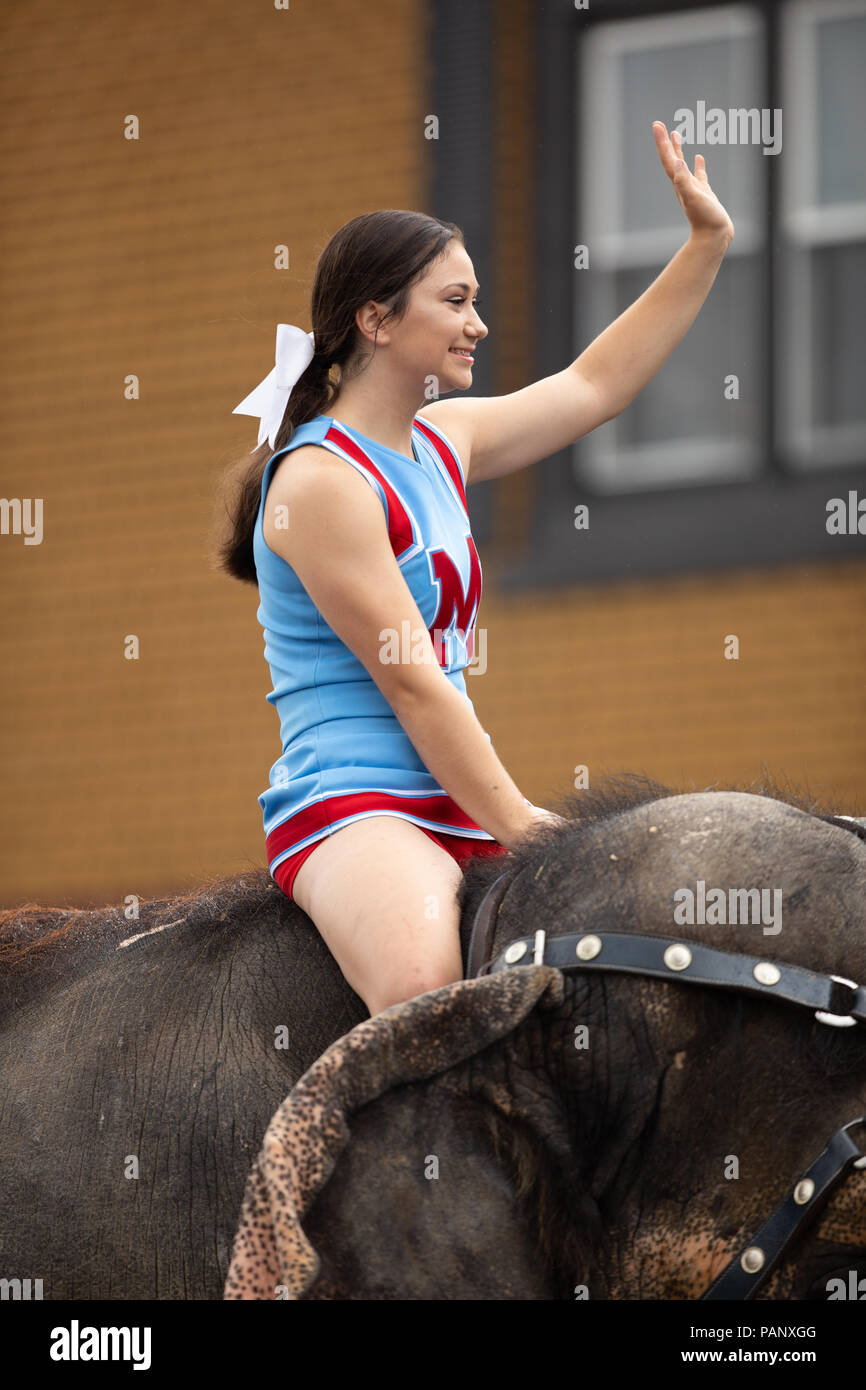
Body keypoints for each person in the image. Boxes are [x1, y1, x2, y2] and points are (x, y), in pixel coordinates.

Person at [218, 132, 733, 1016]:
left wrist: (706, 246)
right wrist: (526, 825)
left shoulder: (440, 440)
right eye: (455, 301)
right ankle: (306, 1158)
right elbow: (416, 687)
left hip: (452, 797)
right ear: (375, 321)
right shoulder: (319, 482)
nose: (479, 325)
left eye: (477, 300)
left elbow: (593, 385)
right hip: (357, 807)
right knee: (426, 990)